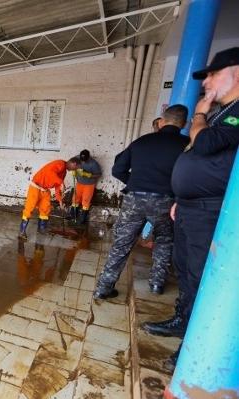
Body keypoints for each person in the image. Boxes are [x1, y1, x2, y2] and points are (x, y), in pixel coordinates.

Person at [142, 47, 239, 368]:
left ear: (235, 72)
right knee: (183, 269)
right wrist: (180, 200)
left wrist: (199, 115)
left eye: (213, 73)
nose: (207, 80)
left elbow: (207, 144)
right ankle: (182, 321)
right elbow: (197, 153)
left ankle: (195, 345)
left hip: (211, 210)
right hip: (188, 206)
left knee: (200, 276)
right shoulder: (220, 113)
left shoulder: (230, 112)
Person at [93, 104, 189, 300]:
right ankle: (156, 284)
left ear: (161, 121)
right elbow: (192, 176)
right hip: (166, 202)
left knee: (121, 244)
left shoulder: (141, 142)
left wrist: (136, 184)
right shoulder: (187, 145)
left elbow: (117, 169)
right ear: (184, 123)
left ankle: (104, 288)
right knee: (164, 241)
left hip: (134, 199)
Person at [19, 157, 80, 240]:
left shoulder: (64, 172)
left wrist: (60, 201)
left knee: (45, 209)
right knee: (29, 208)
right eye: (76, 168)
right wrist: (61, 182)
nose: (75, 170)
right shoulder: (60, 163)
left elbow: (58, 187)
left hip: (45, 190)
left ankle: (41, 229)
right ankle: (22, 231)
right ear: (74, 164)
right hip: (35, 187)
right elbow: (50, 173)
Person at [67, 149, 102, 224]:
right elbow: (71, 164)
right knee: (75, 198)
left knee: (86, 201)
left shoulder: (94, 164)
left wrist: (88, 175)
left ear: (88, 157)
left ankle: (82, 219)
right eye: (82, 160)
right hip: (79, 183)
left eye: (85, 160)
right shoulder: (76, 158)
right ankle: (73, 215)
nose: (83, 162)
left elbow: (99, 174)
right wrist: (73, 170)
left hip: (89, 184)